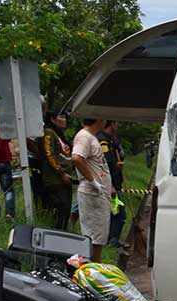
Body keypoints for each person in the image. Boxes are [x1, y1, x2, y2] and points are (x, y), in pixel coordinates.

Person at [71, 117, 115, 262]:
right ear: (99, 120)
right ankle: (92, 268)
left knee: (99, 234)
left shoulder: (92, 137)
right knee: (94, 236)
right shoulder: (84, 137)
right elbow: (77, 157)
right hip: (92, 193)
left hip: (99, 194)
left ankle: (95, 265)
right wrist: (92, 180)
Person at [40, 111, 75, 230]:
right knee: (61, 208)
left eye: (65, 117)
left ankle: (64, 232)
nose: (64, 120)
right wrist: (61, 173)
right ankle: (57, 232)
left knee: (66, 209)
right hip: (55, 179)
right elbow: (49, 154)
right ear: (53, 119)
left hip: (66, 178)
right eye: (62, 117)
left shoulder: (60, 135)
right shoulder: (49, 133)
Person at [100, 120, 126, 246]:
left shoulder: (111, 140)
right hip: (110, 184)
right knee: (119, 213)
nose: (117, 126)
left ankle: (112, 239)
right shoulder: (103, 141)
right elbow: (105, 165)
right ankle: (112, 241)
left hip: (116, 181)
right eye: (116, 123)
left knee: (117, 213)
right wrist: (110, 185)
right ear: (111, 124)